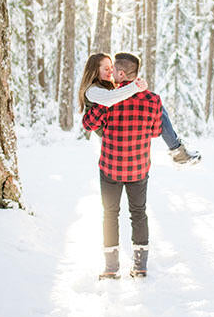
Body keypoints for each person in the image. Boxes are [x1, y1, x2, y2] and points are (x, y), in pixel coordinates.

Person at [83, 53, 162, 279]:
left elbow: (88, 124)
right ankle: (140, 266)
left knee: (110, 214)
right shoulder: (153, 100)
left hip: (110, 168)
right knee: (138, 213)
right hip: (138, 168)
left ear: (120, 73)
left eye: (114, 70)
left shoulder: (109, 100)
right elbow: (156, 131)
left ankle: (111, 267)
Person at [78, 53, 201, 165]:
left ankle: (176, 149)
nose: (110, 71)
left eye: (111, 68)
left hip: (115, 131)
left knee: (155, 106)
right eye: (106, 69)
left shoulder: (105, 86)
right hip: (106, 132)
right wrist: (135, 87)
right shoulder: (92, 90)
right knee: (153, 104)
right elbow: (109, 98)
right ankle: (176, 149)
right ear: (94, 70)